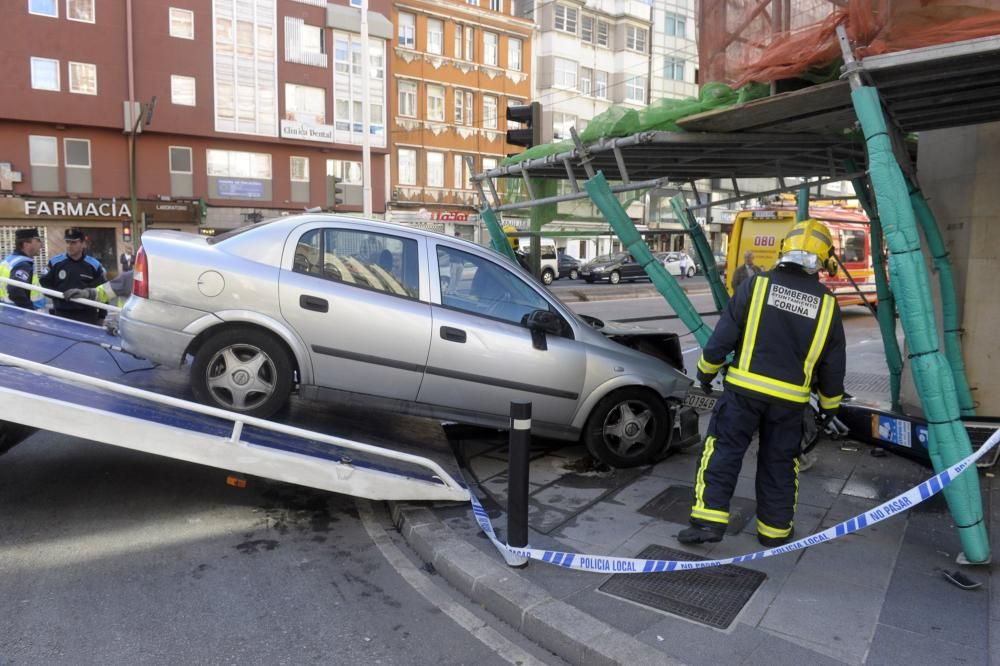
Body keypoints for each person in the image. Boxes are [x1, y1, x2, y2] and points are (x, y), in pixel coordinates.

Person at [678, 219, 846, 548]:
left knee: (722, 452)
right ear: (823, 260)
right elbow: (832, 365)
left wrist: (705, 373)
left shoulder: (757, 286)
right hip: (789, 404)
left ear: (785, 250)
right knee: (780, 464)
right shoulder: (827, 304)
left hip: (743, 394)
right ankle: (774, 532)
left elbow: (724, 335)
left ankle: (708, 524)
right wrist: (829, 408)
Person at [40, 228, 107, 325]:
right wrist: (60, 298)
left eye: (74, 243)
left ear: (84, 244)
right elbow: (45, 284)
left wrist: (102, 316)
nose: (69, 246)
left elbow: (103, 291)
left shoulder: (94, 265)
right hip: (62, 314)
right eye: (67, 242)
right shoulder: (55, 262)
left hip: (88, 316)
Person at [0, 228, 44, 310]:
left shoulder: (9, 260)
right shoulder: (23, 264)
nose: (41, 245)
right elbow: (15, 289)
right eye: (37, 241)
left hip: (6, 313)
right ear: (26, 244)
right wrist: (29, 311)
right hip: (20, 316)